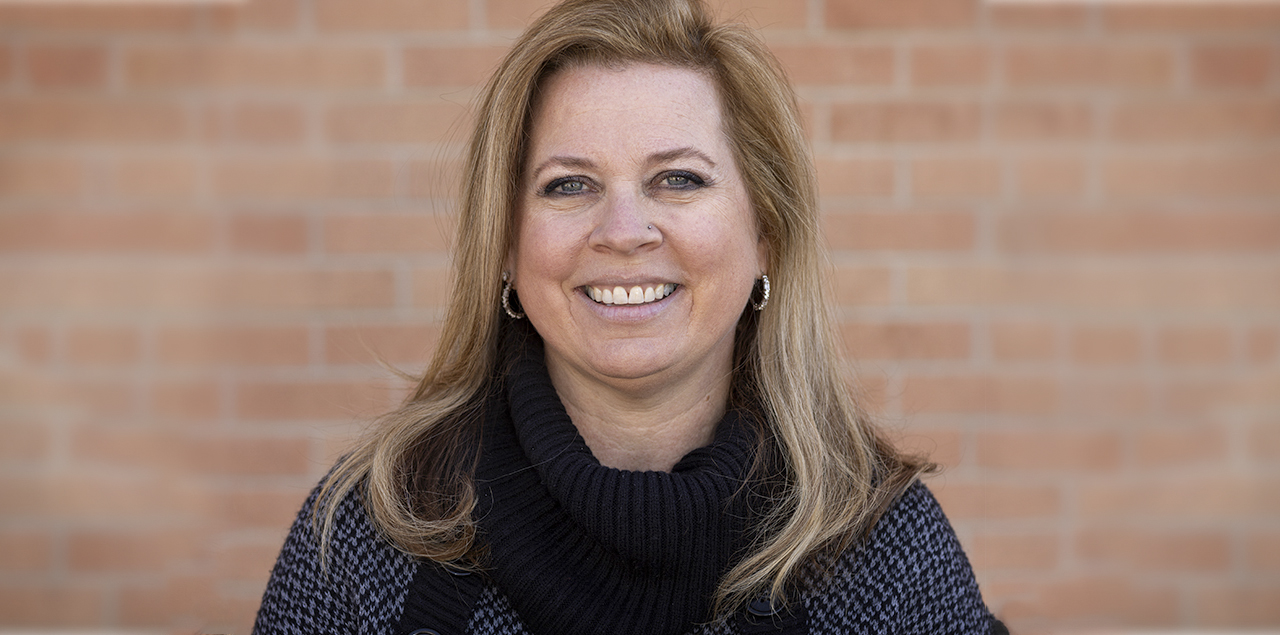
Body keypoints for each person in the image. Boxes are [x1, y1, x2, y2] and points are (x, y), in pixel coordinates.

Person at [253, 0, 1005, 633]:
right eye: (569, 185)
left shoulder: (884, 551)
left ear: (766, 234)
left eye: (678, 178)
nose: (622, 230)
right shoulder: (368, 537)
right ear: (507, 245)